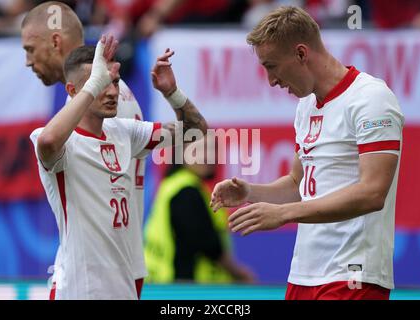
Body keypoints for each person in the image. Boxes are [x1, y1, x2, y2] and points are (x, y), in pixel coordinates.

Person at [210, 6, 404, 300]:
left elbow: (373, 193)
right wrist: (251, 192)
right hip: (303, 274)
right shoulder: (306, 106)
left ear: (301, 53)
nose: (271, 81)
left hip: (352, 277)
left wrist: (284, 214)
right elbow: (297, 185)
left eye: (271, 66)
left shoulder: (371, 99)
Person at [29, 34, 207, 299]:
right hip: (79, 289)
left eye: (113, 82)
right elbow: (48, 140)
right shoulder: (61, 143)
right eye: (101, 84)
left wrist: (173, 94)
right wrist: (94, 84)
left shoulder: (123, 132)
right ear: (73, 91)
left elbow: (196, 132)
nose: (112, 92)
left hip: (123, 285)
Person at [20, 1, 148, 298]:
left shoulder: (97, 101)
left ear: (55, 42)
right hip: (115, 267)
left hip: (98, 276)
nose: (28, 61)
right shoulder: (110, 94)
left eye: (29, 49)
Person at [144, 138, 254, 284]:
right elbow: (207, 243)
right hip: (185, 288)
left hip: (162, 282)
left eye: (212, 150)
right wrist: (239, 273)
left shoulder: (173, 185)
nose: (207, 156)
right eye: (198, 151)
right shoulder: (186, 191)